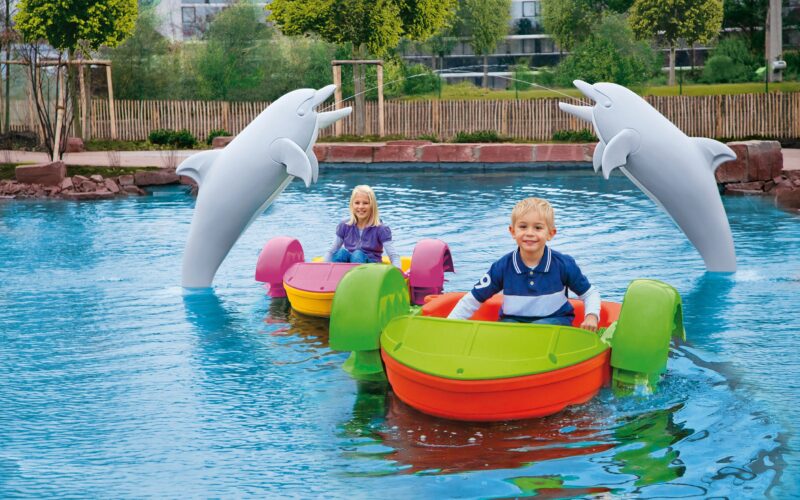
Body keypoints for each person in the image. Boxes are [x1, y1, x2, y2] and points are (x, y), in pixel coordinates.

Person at [448, 197, 600, 331]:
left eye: (538, 228)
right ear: (512, 231)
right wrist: (450, 324)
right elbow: (473, 298)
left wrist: (591, 316)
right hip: (514, 323)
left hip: (554, 323)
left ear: (551, 233)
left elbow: (589, 293)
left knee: (542, 327)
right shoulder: (502, 267)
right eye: (523, 227)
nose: (529, 233)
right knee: (502, 329)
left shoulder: (563, 264)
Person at [323, 185, 402, 269]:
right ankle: (335, 278)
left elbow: (393, 255)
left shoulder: (381, 229)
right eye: (357, 203)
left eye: (365, 203)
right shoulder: (344, 226)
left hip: (372, 269)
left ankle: (357, 280)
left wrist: (398, 273)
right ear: (352, 205)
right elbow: (331, 251)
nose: (360, 207)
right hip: (349, 268)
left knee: (357, 254)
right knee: (341, 253)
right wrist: (323, 270)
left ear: (372, 206)